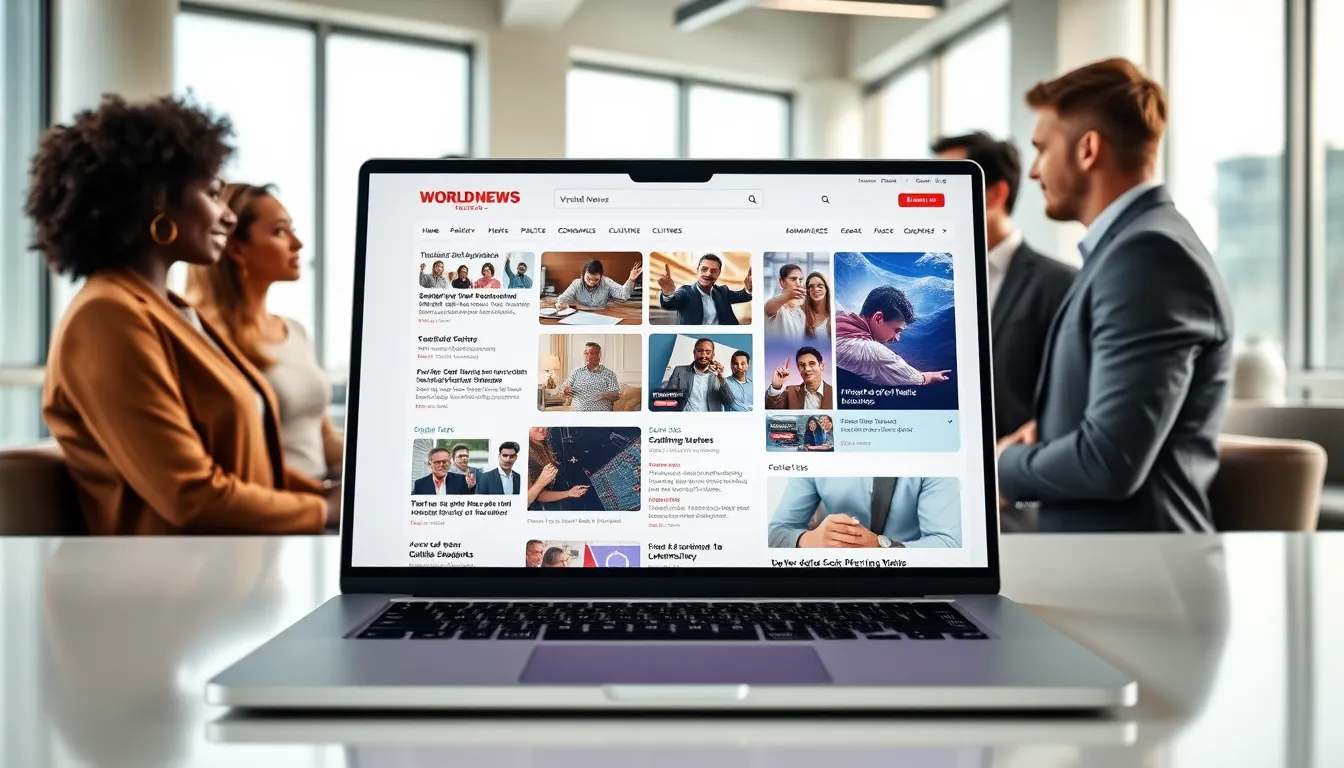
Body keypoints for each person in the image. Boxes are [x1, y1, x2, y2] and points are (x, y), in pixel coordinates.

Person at [30, 94, 336, 534]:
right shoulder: (106, 316)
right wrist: (323, 511)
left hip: (240, 569)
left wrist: (325, 498)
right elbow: (189, 495)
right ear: (159, 203)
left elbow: (246, 471)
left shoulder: (171, 310)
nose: (227, 216)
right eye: (213, 194)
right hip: (177, 588)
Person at [997, 58, 1233, 532]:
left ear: (1087, 149)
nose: (1036, 172)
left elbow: (1110, 460)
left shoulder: (1147, 255)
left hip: (1135, 578)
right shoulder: (1127, 249)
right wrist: (1048, 435)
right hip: (1106, 566)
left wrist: (999, 466)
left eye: (1042, 149)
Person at [185, 183, 342, 482]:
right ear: (235, 247)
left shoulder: (294, 331)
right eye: (280, 232)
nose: (297, 243)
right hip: (276, 507)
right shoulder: (205, 335)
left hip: (319, 501)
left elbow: (323, 442)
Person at [932, 132, 1077, 438]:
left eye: (946, 185)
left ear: (995, 194)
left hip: (1016, 476)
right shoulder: (930, 278)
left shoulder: (1062, 285)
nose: (933, 202)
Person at [768, 476, 961, 548]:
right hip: (832, 581)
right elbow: (776, 533)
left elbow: (949, 543)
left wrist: (880, 547)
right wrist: (813, 540)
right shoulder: (813, 453)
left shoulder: (935, 452)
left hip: (911, 582)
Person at [834, 286, 952, 387]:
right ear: (878, 318)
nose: (897, 338)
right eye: (896, 330)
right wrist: (929, 377)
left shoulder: (836, 315)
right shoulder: (872, 352)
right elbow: (913, 377)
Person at [656, 254, 753, 325]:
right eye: (704, 269)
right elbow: (669, 304)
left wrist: (748, 288)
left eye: (713, 271)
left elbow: (743, 296)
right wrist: (668, 292)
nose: (708, 274)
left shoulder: (723, 291)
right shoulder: (686, 292)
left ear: (718, 274)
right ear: (697, 271)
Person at [663, 338, 735, 412]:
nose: (703, 355)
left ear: (713, 355)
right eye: (699, 351)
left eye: (708, 352)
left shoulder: (717, 376)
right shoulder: (680, 371)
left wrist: (721, 377)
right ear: (694, 353)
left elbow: (729, 402)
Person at [526, 427, 589, 509]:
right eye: (535, 426)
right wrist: (541, 482)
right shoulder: (526, 455)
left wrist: (569, 493)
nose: (541, 429)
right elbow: (537, 496)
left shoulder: (548, 439)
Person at [764, 264, 831, 340]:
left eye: (800, 279)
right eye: (793, 279)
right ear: (781, 282)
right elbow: (768, 307)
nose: (798, 283)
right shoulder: (777, 307)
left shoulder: (801, 314)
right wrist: (787, 296)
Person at [555, 258, 641, 310]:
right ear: (582, 275)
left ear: (601, 276)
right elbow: (564, 297)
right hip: (580, 314)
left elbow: (624, 295)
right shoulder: (576, 283)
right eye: (588, 278)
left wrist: (631, 279)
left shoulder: (606, 282)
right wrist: (560, 303)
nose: (591, 282)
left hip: (603, 314)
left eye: (596, 279)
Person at [764, 347, 833, 410]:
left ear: (821, 366)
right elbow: (770, 411)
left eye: (812, 363)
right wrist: (776, 387)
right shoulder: (790, 392)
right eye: (802, 365)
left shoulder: (833, 392)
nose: (807, 369)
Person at [562, 342, 622, 412]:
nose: (587, 356)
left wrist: (604, 395)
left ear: (599, 355)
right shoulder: (575, 372)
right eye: (586, 353)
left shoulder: (610, 374)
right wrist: (566, 391)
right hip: (577, 417)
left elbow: (616, 396)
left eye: (591, 353)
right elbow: (566, 390)